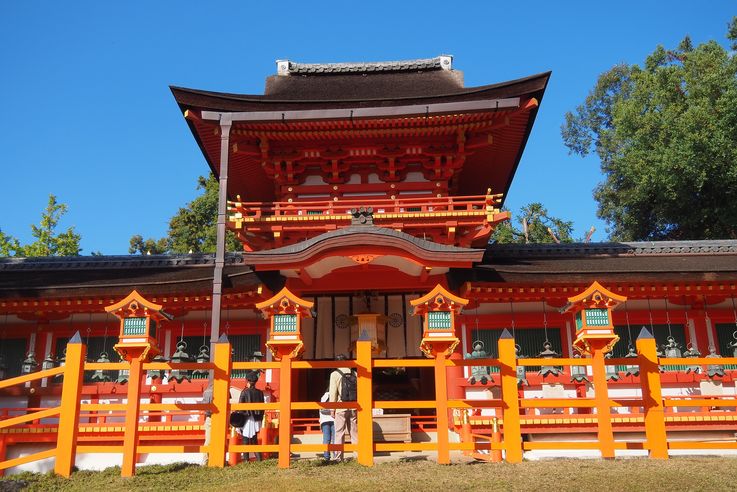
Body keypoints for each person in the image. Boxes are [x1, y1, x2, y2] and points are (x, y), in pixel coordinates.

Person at [329, 354, 357, 461]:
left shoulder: (335, 374)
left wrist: (332, 408)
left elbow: (333, 393)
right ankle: (357, 454)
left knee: (339, 432)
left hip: (341, 407)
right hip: (354, 406)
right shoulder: (354, 373)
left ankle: (338, 456)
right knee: (354, 431)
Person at [239, 370, 265, 461]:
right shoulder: (260, 392)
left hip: (247, 418)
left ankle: (246, 460)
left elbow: (240, 406)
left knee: (245, 439)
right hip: (257, 418)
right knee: (254, 439)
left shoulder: (244, 392)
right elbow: (262, 406)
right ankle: (259, 459)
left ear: (247, 381)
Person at [319, 387, 335, 461]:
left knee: (326, 439)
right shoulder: (334, 396)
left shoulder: (323, 397)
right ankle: (336, 456)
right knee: (335, 439)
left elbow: (320, 410)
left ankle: (326, 457)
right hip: (334, 419)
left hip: (324, 420)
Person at [200, 381, 214, 465]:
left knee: (208, 440)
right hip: (220, 417)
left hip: (210, 417)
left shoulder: (207, 392)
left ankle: (205, 460)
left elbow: (203, 405)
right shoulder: (224, 389)